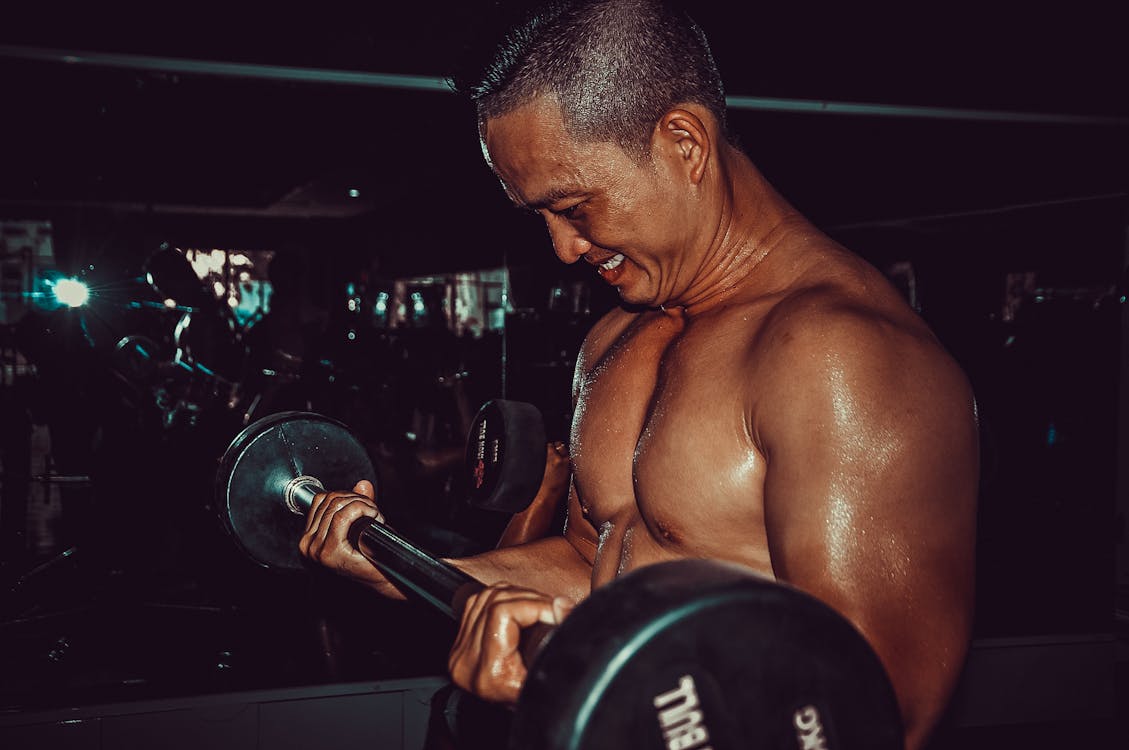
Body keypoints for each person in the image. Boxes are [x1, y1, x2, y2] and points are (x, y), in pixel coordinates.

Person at [299, 2, 979, 748]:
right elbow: (596, 562)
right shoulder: (616, 338)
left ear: (684, 143)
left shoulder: (842, 358)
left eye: (573, 206)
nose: (562, 248)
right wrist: (413, 572)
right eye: (539, 216)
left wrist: (601, 685)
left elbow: (877, 709)